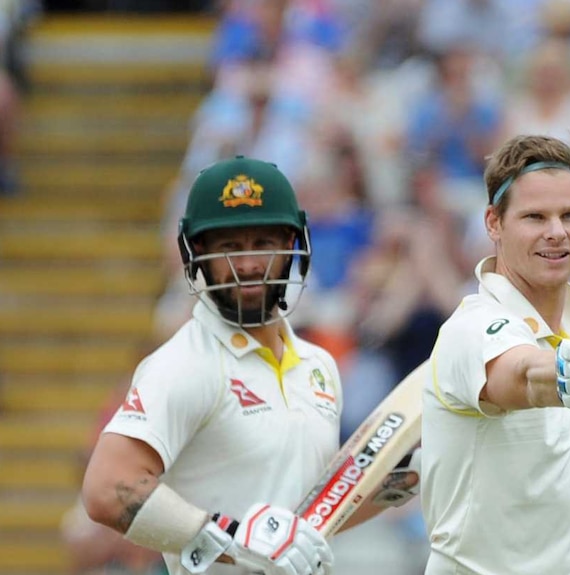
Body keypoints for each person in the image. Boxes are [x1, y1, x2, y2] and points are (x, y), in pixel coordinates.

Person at [80, 157, 416, 575]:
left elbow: (313, 517)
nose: (250, 264)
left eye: (263, 243)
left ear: (293, 245)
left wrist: (407, 479)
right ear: (197, 254)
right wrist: (232, 540)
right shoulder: (185, 363)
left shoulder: (319, 365)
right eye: (230, 247)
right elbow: (108, 488)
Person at [420, 134, 570, 574]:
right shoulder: (469, 328)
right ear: (494, 223)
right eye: (535, 216)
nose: (556, 232)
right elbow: (523, 376)